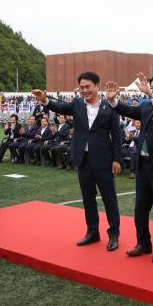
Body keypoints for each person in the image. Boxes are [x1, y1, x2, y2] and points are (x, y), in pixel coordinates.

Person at [32, 71, 122, 251]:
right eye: (82, 87)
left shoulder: (110, 106)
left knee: (109, 199)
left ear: (97, 86)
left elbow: (116, 135)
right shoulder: (77, 104)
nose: (84, 90)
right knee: (88, 199)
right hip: (83, 160)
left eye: (88, 86)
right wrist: (45, 100)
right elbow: (59, 107)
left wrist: (117, 159)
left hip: (103, 160)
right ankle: (92, 232)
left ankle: (113, 234)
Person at [106, 73, 153, 263]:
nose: (152, 90)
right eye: (151, 87)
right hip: (143, 165)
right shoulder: (146, 106)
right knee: (140, 208)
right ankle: (143, 243)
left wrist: (151, 94)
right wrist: (113, 101)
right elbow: (128, 110)